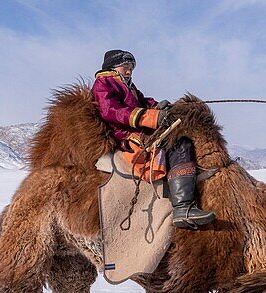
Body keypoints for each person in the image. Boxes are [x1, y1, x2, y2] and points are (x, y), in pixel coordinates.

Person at [92, 49, 216, 229]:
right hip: (127, 136)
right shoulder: (104, 83)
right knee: (179, 143)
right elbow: (110, 111)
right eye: (125, 66)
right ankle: (183, 207)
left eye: (131, 68)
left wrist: (158, 107)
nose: (129, 71)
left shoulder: (130, 87)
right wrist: (152, 117)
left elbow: (144, 102)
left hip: (140, 131)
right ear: (113, 66)